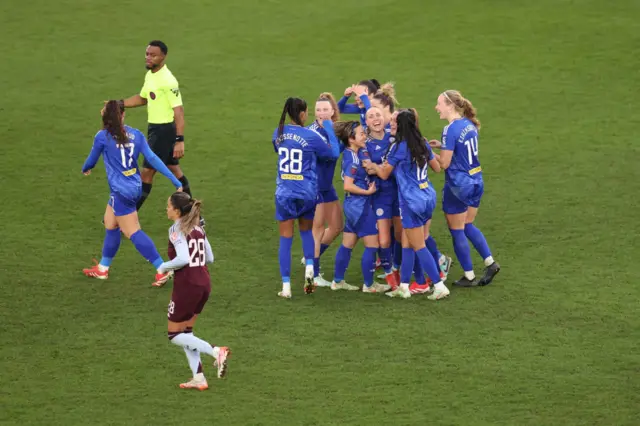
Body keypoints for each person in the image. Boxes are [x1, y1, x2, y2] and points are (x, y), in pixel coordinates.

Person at [81, 100, 183, 286]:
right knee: (111, 223)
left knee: (133, 232)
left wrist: (85, 168)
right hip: (134, 188)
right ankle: (103, 268)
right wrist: (175, 180)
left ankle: (161, 268)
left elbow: (91, 160)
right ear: (122, 116)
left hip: (121, 192)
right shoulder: (136, 135)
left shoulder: (102, 137)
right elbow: (153, 158)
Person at [364, 109, 450, 300]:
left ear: (401, 126)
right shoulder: (422, 142)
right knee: (407, 243)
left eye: (395, 122)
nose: (390, 124)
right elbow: (437, 168)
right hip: (427, 195)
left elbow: (385, 174)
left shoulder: (398, 147)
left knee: (419, 245)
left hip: (411, 201)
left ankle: (438, 285)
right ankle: (404, 286)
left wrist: (374, 167)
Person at [115, 40, 200, 223]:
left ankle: (127, 217)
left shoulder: (168, 81)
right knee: (174, 169)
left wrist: (179, 139)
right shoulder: (151, 75)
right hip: (156, 129)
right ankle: (195, 217)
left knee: (146, 173)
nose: (148, 57)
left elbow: (179, 111)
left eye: (153, 55)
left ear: (163, 57)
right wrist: (119, 104)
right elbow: (143, 98)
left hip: (164, 131)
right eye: (147, 54)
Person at [157, 192, 230, 391]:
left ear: (177, 211)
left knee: (174, 335)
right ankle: (198, 377)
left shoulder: (176, 229)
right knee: (186, 332)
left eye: (168, 206)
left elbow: (183, 258)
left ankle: (216, 352)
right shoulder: (198, 228)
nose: (166, 209)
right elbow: (210, 257)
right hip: (204, 283)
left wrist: (163, 267)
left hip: (187, 286)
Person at [429, 90, 500, 287]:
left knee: (457, 229)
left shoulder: (449, 129)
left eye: (439, 104)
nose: (437, 108)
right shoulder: (469, 124)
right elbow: (460, 150)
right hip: (476, 180)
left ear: (450, 105)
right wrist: (442, 146)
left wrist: (426, 151)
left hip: (458, 186)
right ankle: (490, 262)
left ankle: (469, 276)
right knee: (468, 224)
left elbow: (444, 164)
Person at [273, 97, 341, 298]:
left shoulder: (278, 132)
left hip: (284, 193)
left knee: (285, 239)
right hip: (306, 193)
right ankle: (310, 277)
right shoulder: (311, 136)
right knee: (306, 233)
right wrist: (328, 125)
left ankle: (285, 287)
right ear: (303, 114)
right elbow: (334, 153)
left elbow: (279, 149)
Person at [330, 121, 389, 293]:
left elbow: (367, 164)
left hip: (351, 205)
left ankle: (337, 281)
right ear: (351, 139)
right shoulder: (352, 161)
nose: (364, 135)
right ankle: (369, 285)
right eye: (361, 133)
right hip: (359, 205)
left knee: (348, 243)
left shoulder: (356, 152)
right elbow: (347, 185)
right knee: (372, 245)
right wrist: (368, 192)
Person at [304, 93, 345, 287]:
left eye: (325, 110)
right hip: (314, 187)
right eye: (318, 110)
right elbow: (332, 152)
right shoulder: (311, 133)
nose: (321, 113)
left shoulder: (334, 130)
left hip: (327, 186)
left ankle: (310, 257)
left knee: (336, 226)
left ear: (333, 111)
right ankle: (314, 273)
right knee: (317, 229)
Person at [364, 106, 401, 290]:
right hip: (380, 196)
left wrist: (376, 166)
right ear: (367, 122)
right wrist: (382, 167)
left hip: (400, 192)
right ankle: (390, 276)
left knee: (402, 236)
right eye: (371, 116)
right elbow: (366, 168)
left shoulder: (393, 135)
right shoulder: (366, 143)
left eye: (378, 115)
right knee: (384, 240)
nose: (376, 119)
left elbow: (376, 167)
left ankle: (399, 269)